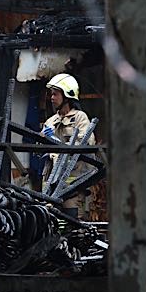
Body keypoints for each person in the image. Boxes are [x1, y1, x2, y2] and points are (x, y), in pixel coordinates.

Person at [41, 73, 94, 219]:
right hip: (50, 184)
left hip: (73, 184)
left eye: (56, 94)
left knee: (73, 224)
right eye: (51, 94)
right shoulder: (51, 121)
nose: (52, 98)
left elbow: (87, 143)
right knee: (50, 222)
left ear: (68, 95)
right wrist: (44, 140)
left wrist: (57, 145)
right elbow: (40, 147)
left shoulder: (80, 118)